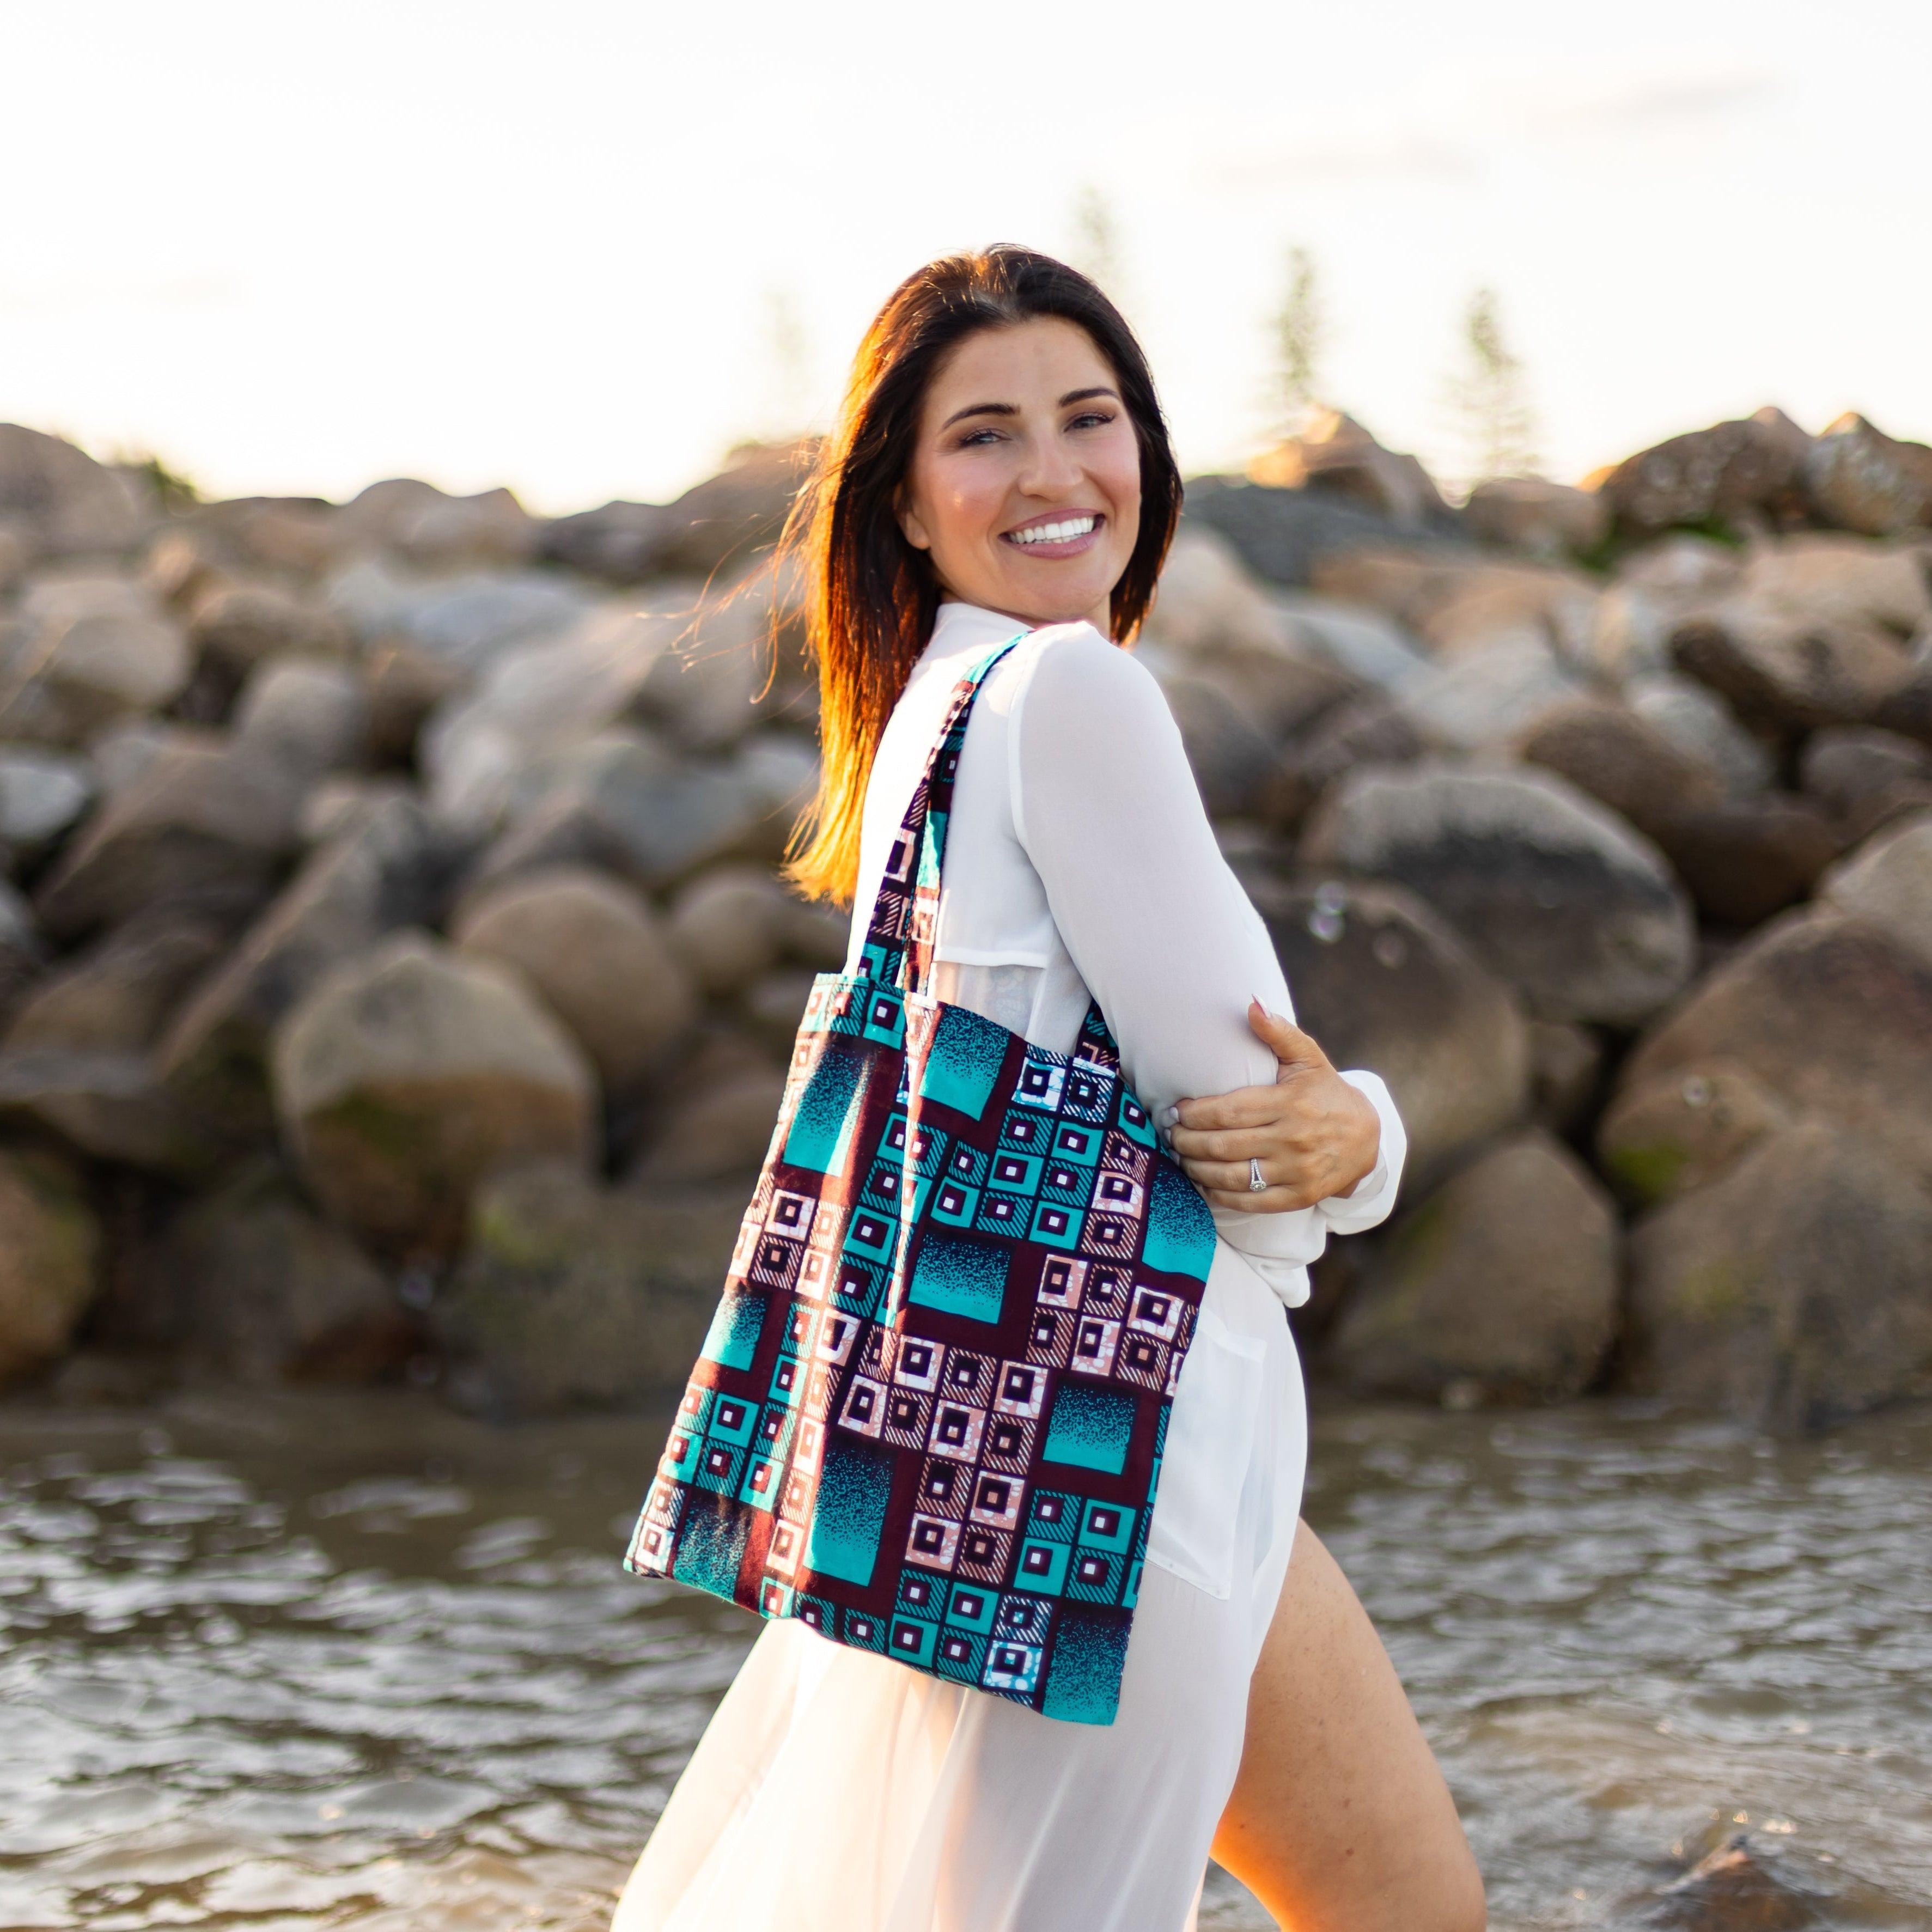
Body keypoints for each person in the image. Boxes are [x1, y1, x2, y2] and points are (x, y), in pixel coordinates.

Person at [612, 247, 1484, 1932]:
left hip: (989, 1475)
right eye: (983, 436)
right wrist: (1370, 1131)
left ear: (1148, 452)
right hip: (1121, 1468)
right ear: (907, 501)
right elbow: (1254, 1132)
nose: (1051, 473)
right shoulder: (1071, 690)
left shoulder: (920, 725)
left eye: (1089, 419)